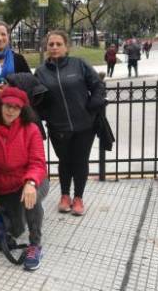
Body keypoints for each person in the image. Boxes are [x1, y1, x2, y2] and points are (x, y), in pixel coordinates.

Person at [35, 30, 105, 216]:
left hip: (84, 125)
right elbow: (37, 99)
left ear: (66, 47)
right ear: (46, 47)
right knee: (64, 162)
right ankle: (65, 196)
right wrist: (44, 115)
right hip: (58, 128)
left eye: (59, 44)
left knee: (80, 162)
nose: (55, 47)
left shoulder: (79, 64)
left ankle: (78, 198)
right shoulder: (41, 72)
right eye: (51, 44)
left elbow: (97, 85)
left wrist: (93, 103)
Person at [0, 87, 49, 271]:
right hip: (5, 184)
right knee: (16, 230)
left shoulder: (31, 129)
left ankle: (35, 245)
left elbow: (38, 162)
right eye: (7, 106)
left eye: (16, 107)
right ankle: (20, 214)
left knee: (30, 199)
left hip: (31, 179)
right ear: (0, 105)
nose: (10, 110)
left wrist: (31, 182)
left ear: (22, 110)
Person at [0, 20, 31, 94]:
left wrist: (12, 87)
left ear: (8, 36)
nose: (0, 38)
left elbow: (29, 82)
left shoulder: (19, 59)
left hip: (14, 103)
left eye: (3, 34)